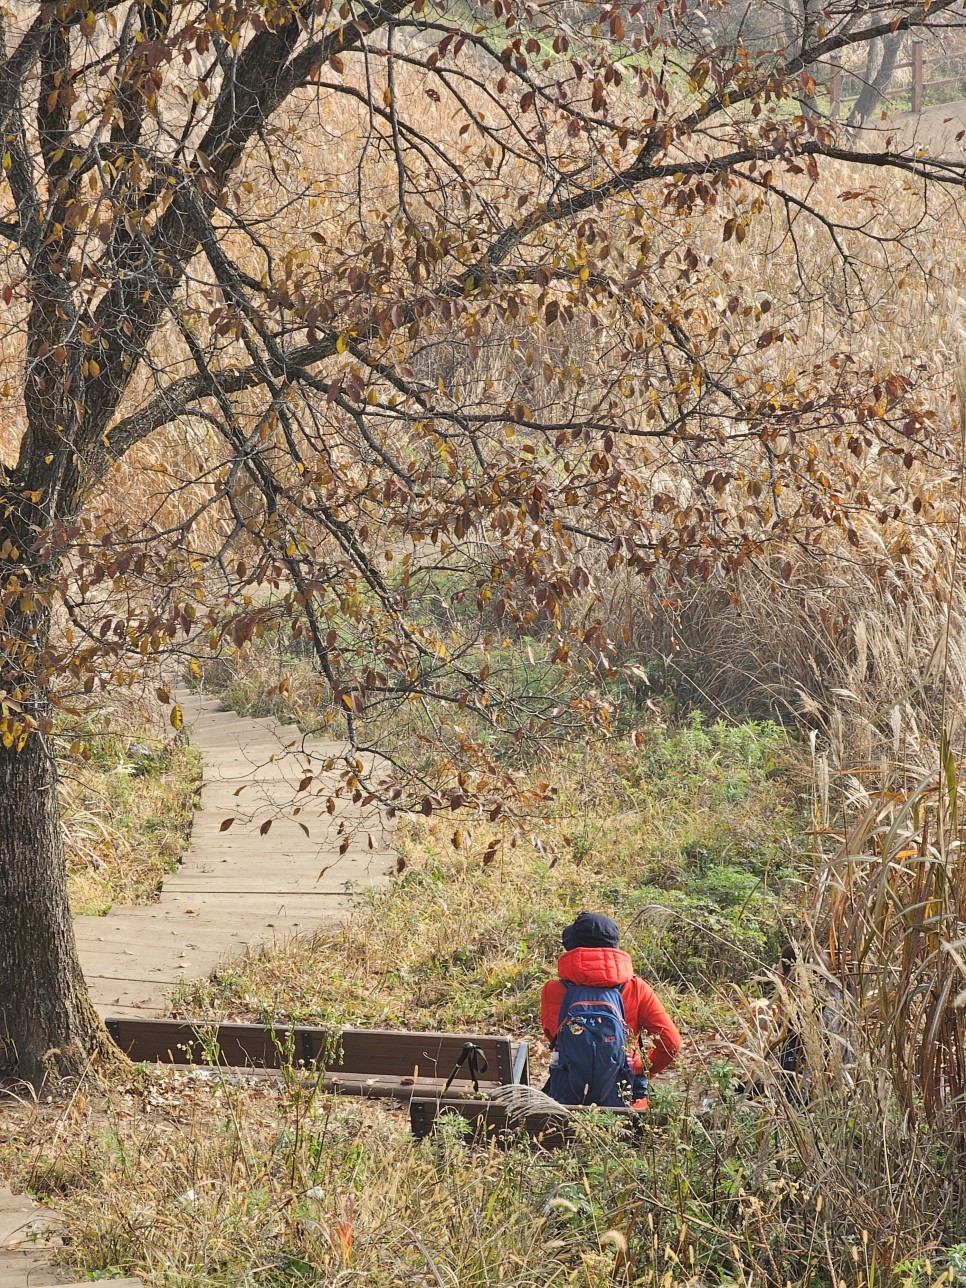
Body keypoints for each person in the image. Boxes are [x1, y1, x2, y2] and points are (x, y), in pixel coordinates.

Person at [541, 911, 682, 1108]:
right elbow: (672, 1043)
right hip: (625, 1102)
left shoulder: (552, 990)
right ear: (614, 948)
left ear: (574, 947)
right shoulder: (637, 988)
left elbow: (556, 1037)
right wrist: (643, 1066)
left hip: (567, 1100)